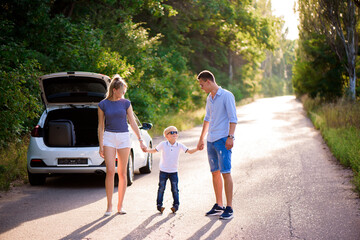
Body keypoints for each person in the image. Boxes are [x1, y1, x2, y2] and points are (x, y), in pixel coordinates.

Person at [98, 74, 147, 216]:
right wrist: (100, 145)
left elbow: (132, 122)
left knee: (122, 172)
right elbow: (100, 126)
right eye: (122, 91)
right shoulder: (103, 104)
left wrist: (140, 139)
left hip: (124, 138)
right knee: (110, 171)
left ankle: (120, 205)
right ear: (114, 90)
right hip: (109, 137)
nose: (124, 94)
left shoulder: (126, 103)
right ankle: (109, 206)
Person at [196, 70, 238, 220]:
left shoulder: (227, 95)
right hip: (211, 140)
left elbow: (233, 118)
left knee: (225, 172)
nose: (201, 87)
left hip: (222, 139)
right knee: (215, 172)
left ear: (208, 81)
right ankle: (219, 205)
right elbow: (207, 118)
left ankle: (229, 207)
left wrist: (230, 137)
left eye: (202, 84)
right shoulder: (209, 98)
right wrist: (202, 138)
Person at [145, 126, 198, 214]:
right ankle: (159, 205)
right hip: (163, 171)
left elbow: (189, 151)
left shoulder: (179, 145)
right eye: (172, 132)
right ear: (166, 136)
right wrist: (146, 150)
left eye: (176, 132)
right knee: (161, 188)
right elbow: (154, 150)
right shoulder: (163, 144)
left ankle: (176, 205)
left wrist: (197, 148)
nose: (175, 134)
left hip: (174, 171)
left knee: (175, 189)